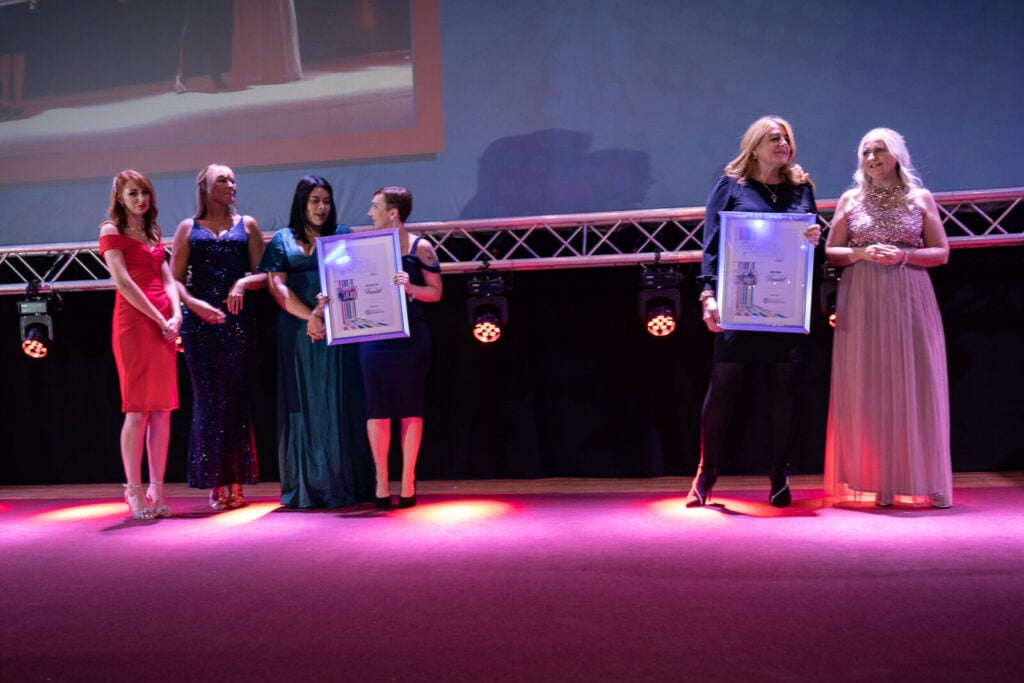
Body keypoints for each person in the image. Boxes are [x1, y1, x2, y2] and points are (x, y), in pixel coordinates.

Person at [686, 116, 821, 509]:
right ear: (755, 146)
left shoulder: (801, 188)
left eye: (787, 138)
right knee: (724, 386)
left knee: (784, 389)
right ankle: (706, 472)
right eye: (774, 138)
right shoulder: (731, 186)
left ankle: (779, 474)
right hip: (740, 302)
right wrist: (707, 294)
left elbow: (812, 247)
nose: (783, 144)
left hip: (786, 305)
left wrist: (816, 237)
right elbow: (711, 245)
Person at [824, 128, 952, 508]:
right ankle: (879, 481)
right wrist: (861, 254)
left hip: (909, 293)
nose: (872, 158)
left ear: (896, 154)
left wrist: (904, 256)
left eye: (879, 150)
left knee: (916, 382)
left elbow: (942, 252)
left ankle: (928, 480)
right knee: (870, 384)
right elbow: (831, 251)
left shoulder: (919, 198)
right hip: (862, 295)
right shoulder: (851, 199)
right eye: (865, 152)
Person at [259, 176, 374, 508]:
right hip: (298, 330)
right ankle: (306, 485)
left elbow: (354, 278)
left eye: (326, 200)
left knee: (338, 400)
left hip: (338, 329)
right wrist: (309, 316)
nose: (321, 207)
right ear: (302, 203)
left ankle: (343, 484)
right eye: (314, 201)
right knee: (304, 402)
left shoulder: (341, 235)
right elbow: (277, 287)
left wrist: (324, 313)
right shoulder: (282, 240)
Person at [171, 164, 264, 510]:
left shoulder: (247, 225)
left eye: (233, 179)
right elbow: (174, 280)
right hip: (200, 326)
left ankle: (236, 480)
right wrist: (194, 305)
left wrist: (242, 282)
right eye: (223, 179)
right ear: (206, 186)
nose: (231, 184)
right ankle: (215, 481)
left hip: (237, 322)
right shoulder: (188, 227)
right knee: (209, 401)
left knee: (235, 400)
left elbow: (266, 274)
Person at [98, 170, 182, 520]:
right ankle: (133, 489)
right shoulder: (111, 230)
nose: (140, 199)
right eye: (133, 193)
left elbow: (168, 279)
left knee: (162, 409)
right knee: (137, 410)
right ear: (120, 197)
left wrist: (177, 315)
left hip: (164, 325)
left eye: (144, 193)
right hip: (134, 323)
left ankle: (157, 488)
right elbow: (124, 282)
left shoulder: (153, 231)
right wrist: (160, 318)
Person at [360, 186, 443, 508]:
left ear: (392, 213)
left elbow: (436, 292)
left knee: (410, 408)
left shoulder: (422, 247)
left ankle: (408, 480)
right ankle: (381, 481)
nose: (370, 213)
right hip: (374, 336)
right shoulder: (366, 247)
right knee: (377, 409)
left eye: (375, 206)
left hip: (411, 338)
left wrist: (411, 289)